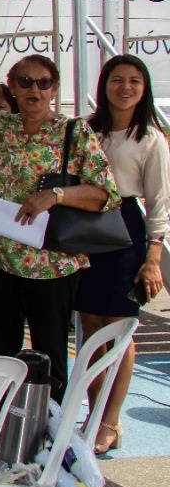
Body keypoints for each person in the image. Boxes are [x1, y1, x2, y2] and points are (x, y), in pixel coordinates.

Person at [0, 52, 120, 401]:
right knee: (0, 354)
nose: (35, 89)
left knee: (50, 355)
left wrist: (56, 195)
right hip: (0, 258)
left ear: (54, 88)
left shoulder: (73, 133)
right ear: (13, 88)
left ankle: (49, 434)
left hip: (51, 265)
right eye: (25, 81)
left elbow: (106, 194)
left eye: (43, 82)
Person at [77, 54, 167, 454]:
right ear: (105, 84)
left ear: (144, 88)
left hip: (126, 231)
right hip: (85, 229)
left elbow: (160, 205)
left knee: (120, 331)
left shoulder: (149, 138)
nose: (125, 87)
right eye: (117, 79)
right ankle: (93, 415)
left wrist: (152, 258)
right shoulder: (86, 130)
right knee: (91, 329)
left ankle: (111, 421)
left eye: (134, 80)